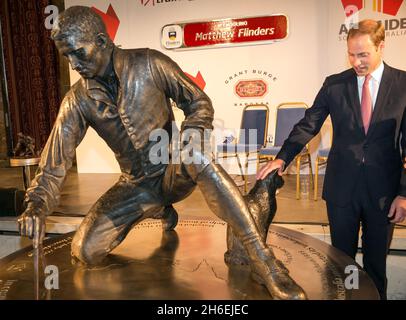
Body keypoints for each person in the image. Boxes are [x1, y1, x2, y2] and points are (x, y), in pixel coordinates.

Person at [17, 6, 306, 300]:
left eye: (79, 52)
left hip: (174, 169)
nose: (73, 63)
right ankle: (156, 207)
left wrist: (191, 135)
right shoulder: (77, 100)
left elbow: (198, 102)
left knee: (197, 154)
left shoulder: (149, 63)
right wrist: (36, 205)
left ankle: (265, 261)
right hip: (136, 186)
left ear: (103, 42)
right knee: (84, 252)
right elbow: (55, 163)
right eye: (67, 56)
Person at [257, 19, 406, 299]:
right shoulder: (334, 85)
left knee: (376, 264)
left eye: (363, 54)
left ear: (381, 47)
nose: (356, 61)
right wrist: (282, 158)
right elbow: (308, 124)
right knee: (342, 263)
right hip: (342, 189)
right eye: (351, 54)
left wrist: (404, 193)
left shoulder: (403, 84)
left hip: (384, 193)